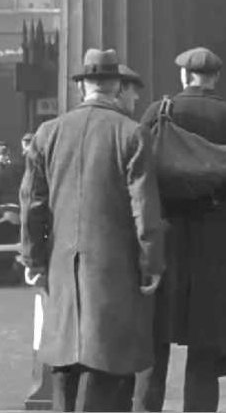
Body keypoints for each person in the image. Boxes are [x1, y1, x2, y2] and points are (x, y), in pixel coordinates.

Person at [19, 48, 165, 412]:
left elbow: (32, 204)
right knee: (108, 366)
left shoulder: (47, 133)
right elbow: (143, 209)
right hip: (114, 272)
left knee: (65, 364)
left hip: (63, 268)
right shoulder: (132, 134)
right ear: (116, 85)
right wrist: (151, 263)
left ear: (83, 86)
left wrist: (33, 259)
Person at [135, 47, 226, 412]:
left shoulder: (158, 112)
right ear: (215, 78)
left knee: (155, 344)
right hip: (218, 245)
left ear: (184, 77)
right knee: (204, 351)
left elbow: (139, 179)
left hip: (166, 240)